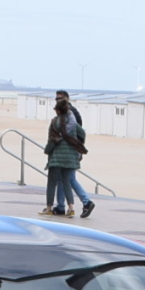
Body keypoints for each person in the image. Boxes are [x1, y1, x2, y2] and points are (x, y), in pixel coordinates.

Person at [43, 91, 91, 219]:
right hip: (71, 154)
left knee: (66, 180)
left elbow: (78, 132)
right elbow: (80, 132)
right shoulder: (68, 115)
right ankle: (63, 207)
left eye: (60, 98)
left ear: (67, 99)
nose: (57, 100)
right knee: (64, 180)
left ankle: (85, 201)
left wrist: (76, 146)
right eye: (56, 98)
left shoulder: (65, 116)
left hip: (65, 154)